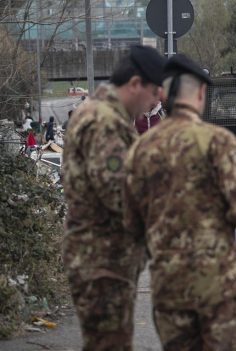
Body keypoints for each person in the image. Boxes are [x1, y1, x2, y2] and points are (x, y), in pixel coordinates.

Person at [124, 54, 236, 351]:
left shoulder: (140, 151)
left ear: (164, 94)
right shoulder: (219, 142)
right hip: (221, 289)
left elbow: (129, 225)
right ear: (201, 93)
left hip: (169, 291)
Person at [61, 45, 166, 351]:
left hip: (108, 257)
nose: (152, 105)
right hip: (102, 260)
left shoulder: (106, 115)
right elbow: (122, 194)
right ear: (135, 84)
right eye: (153, 96)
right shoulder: (105, 122)